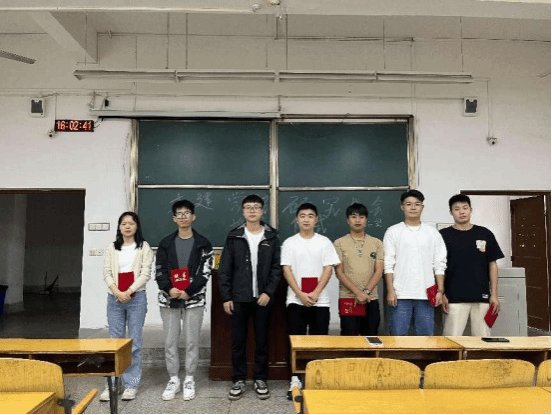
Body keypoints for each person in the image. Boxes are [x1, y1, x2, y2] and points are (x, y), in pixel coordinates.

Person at [218, 195, 282, 401]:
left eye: (256, 207)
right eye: (248, 207)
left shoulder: (271, 236)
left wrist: (268, 292)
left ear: (262, 211)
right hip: (239, 297)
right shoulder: (234, 236)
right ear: (243, 211)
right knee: (238, 341)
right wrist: (226, 296)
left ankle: (260, 378)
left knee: (262, 340)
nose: (252, 211)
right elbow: (224, 269)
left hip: (262, 298)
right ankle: (239, 379)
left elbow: (276, 268)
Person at [155, 200, 214, 401]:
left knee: (191, 341)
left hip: (194, 299)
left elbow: (205, 272)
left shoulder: (203, 243)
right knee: (170, 341)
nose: (183, 217)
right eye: (179, 214)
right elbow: (159, 270)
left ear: (193, 217)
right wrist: (169, 289)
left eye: (187, 213)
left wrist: (188, 291)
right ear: (174, 219)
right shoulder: (165, 243)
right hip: (169, 298)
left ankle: (189, 378)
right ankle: (173, 378)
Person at [281, 202, 341, 399]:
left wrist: (315, 292)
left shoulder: (324, 242)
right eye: (302, 216)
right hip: (295, 300)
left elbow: (328, 269)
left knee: (319, 341)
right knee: (296, 341)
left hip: (320, 300)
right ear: (297, 219)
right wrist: (299, 293)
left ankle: (316, 378)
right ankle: (295, 380)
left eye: (310, 216)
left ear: (316, 219)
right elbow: (286, 269)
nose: (306, 219)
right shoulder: (289, 243)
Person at [101, 211, 154, 401]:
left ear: (137, 226)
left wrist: (129, 291)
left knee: (134, 342)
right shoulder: (112, 247)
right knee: (114, 342)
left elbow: (145, 274)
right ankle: (112, 384)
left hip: (136, 298)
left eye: (131, 223)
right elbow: (107, 272)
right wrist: (118, 292)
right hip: (114, 299)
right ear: (119, 227)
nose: (127, 226)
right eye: (123, 223)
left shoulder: (144, 247)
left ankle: (131, 384)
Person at [383, 190, 447, 336]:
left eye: (417, 204)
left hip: (426, 294)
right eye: (408, 204)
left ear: (422, 207)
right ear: (402, 207)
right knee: (398, 337)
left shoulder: (432, 233)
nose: (413, 207)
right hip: (400, 294)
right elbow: (388, 264)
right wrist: (391, 290)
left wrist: (440, 291)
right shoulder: (393, 231)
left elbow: (439, 264)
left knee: (426, 337)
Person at [440, 194, 504, 336]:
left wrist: (494, 295)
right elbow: (438, 268)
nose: (461, 212)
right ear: (451, 213)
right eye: (457, 209)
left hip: (482, 296)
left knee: (482, 340)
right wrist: (441, 293)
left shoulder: (485, 233)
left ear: (471, 210)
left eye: (465, 208)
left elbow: (492, 264)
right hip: (453, 297)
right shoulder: (442, 236)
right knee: (451, 339)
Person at [334, 203, 384, 336]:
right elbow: (339, 272)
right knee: (349, 339)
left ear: (366, 220)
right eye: (353, 216)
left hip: (371, 298)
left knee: (371, 337)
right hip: (348, 298)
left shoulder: (377, 243)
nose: (357, 220)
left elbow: (379, 271)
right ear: (347, 220)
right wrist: (358, 293)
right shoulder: (339, 243)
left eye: (361, 217)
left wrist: (365, 292)